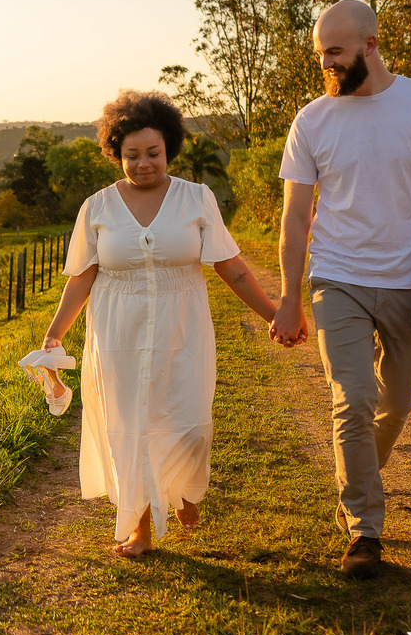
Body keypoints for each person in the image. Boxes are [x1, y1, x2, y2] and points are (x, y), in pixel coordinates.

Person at [272, 0, 411, 579]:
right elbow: (295, 217)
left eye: (335, 51)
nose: (325, 63)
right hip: (337, 279)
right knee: (351, 398)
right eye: (319, 53)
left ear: (371, 44)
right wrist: (288, 296)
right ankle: (364, 530)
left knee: (396, 403)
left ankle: (357, 481)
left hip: (408, 282)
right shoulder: (312, 119)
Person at [43, 90, 277, 558]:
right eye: (132, 155)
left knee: (189, 423)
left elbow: (231, 267)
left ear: (169, 148)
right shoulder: (98, 207)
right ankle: (141, 529)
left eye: (153, 153)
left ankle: (186, 488)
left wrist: (276, 314)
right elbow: (82, 277)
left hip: (182, 326)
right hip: (117, 332)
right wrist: (55, 332)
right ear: (117, 154)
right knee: (132, 428)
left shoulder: (197, 198)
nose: (144, 163)